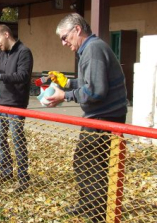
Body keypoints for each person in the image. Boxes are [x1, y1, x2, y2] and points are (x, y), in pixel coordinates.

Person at [46, 13, 128, 222]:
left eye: (64, 37)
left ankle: (98, 213)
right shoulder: (92, 48)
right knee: (92, 163)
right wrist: (67, 82)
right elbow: (88, 82)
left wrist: (65, 95)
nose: (63, 43)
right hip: (104, 116)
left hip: (104, 117)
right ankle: (89, 204)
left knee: (87, 163)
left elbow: (95, 92)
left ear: (77, 30)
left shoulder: (92, 50)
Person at [0, 24, 33, 193]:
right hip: (1, 103)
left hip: (17, 104)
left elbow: (23, 76)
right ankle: (5, 172)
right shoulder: (3, 53)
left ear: (6, 34)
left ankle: (23, 178)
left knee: (17, 141)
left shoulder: (24, 52)